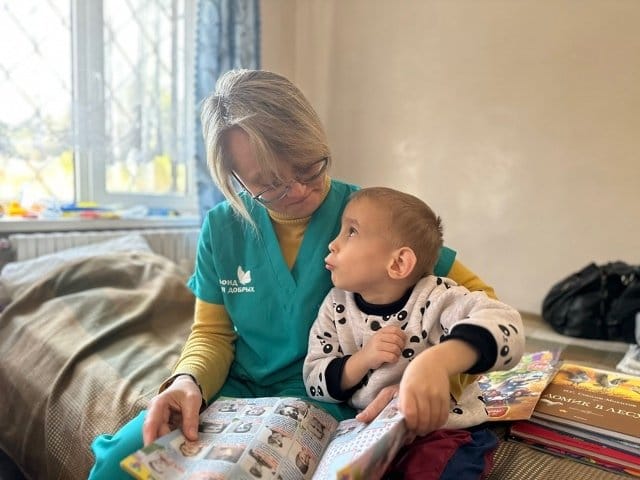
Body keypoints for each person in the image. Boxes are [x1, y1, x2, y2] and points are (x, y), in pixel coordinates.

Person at [88, 69, 503, 479]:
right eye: (270, 184)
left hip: (329, 400)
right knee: (117, 466)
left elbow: (484, 304)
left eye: (308, 167)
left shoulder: (370, 217)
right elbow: (211, 333)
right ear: (235, 179)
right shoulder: (221, 228)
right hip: (235, 387)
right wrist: (187, 380)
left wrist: (436, 374)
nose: (300, 190)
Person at [303, 187, 525, 435]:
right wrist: (362, 359)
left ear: (398, 263)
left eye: (352, 232)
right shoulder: (335, 305)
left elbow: (506, 325)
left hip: (442, 428)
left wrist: (437, 363)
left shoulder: (436, 297)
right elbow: (314, 380)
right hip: (369, 431)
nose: (332, 244)